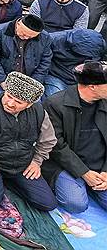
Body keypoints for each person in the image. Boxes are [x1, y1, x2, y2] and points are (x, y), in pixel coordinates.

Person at [0, 72, 58, 211]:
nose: (10, 103)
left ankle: (9, 182)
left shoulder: (38, 112)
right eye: (9, 96)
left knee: (48, 204)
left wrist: (37, 161)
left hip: (22, 164)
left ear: (29, 104)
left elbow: (48, 140)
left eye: (18, 102)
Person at [42, 61, 107, 213]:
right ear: (93, 86)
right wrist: (84, 173)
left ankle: (94, 186)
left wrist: (105, 171)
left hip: (100, 165)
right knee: (76, 204)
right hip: (68, 165)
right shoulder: (55, 104)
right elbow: (57, 146)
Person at [0, 15, 52, 91]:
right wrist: (2, 80)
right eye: (24, 34)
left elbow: (45, 63)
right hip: (2, 78)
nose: (26, 38)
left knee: (34, 102)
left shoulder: (45, 38)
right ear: (18, 24)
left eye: (30, 37)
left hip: (29, 79)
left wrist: (34, 83)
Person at [47, 29, 107, 97]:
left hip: (81, 78)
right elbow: (42, 62)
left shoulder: (98, 46)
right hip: (56, 75)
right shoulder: (52, 40)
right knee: (56, 95)